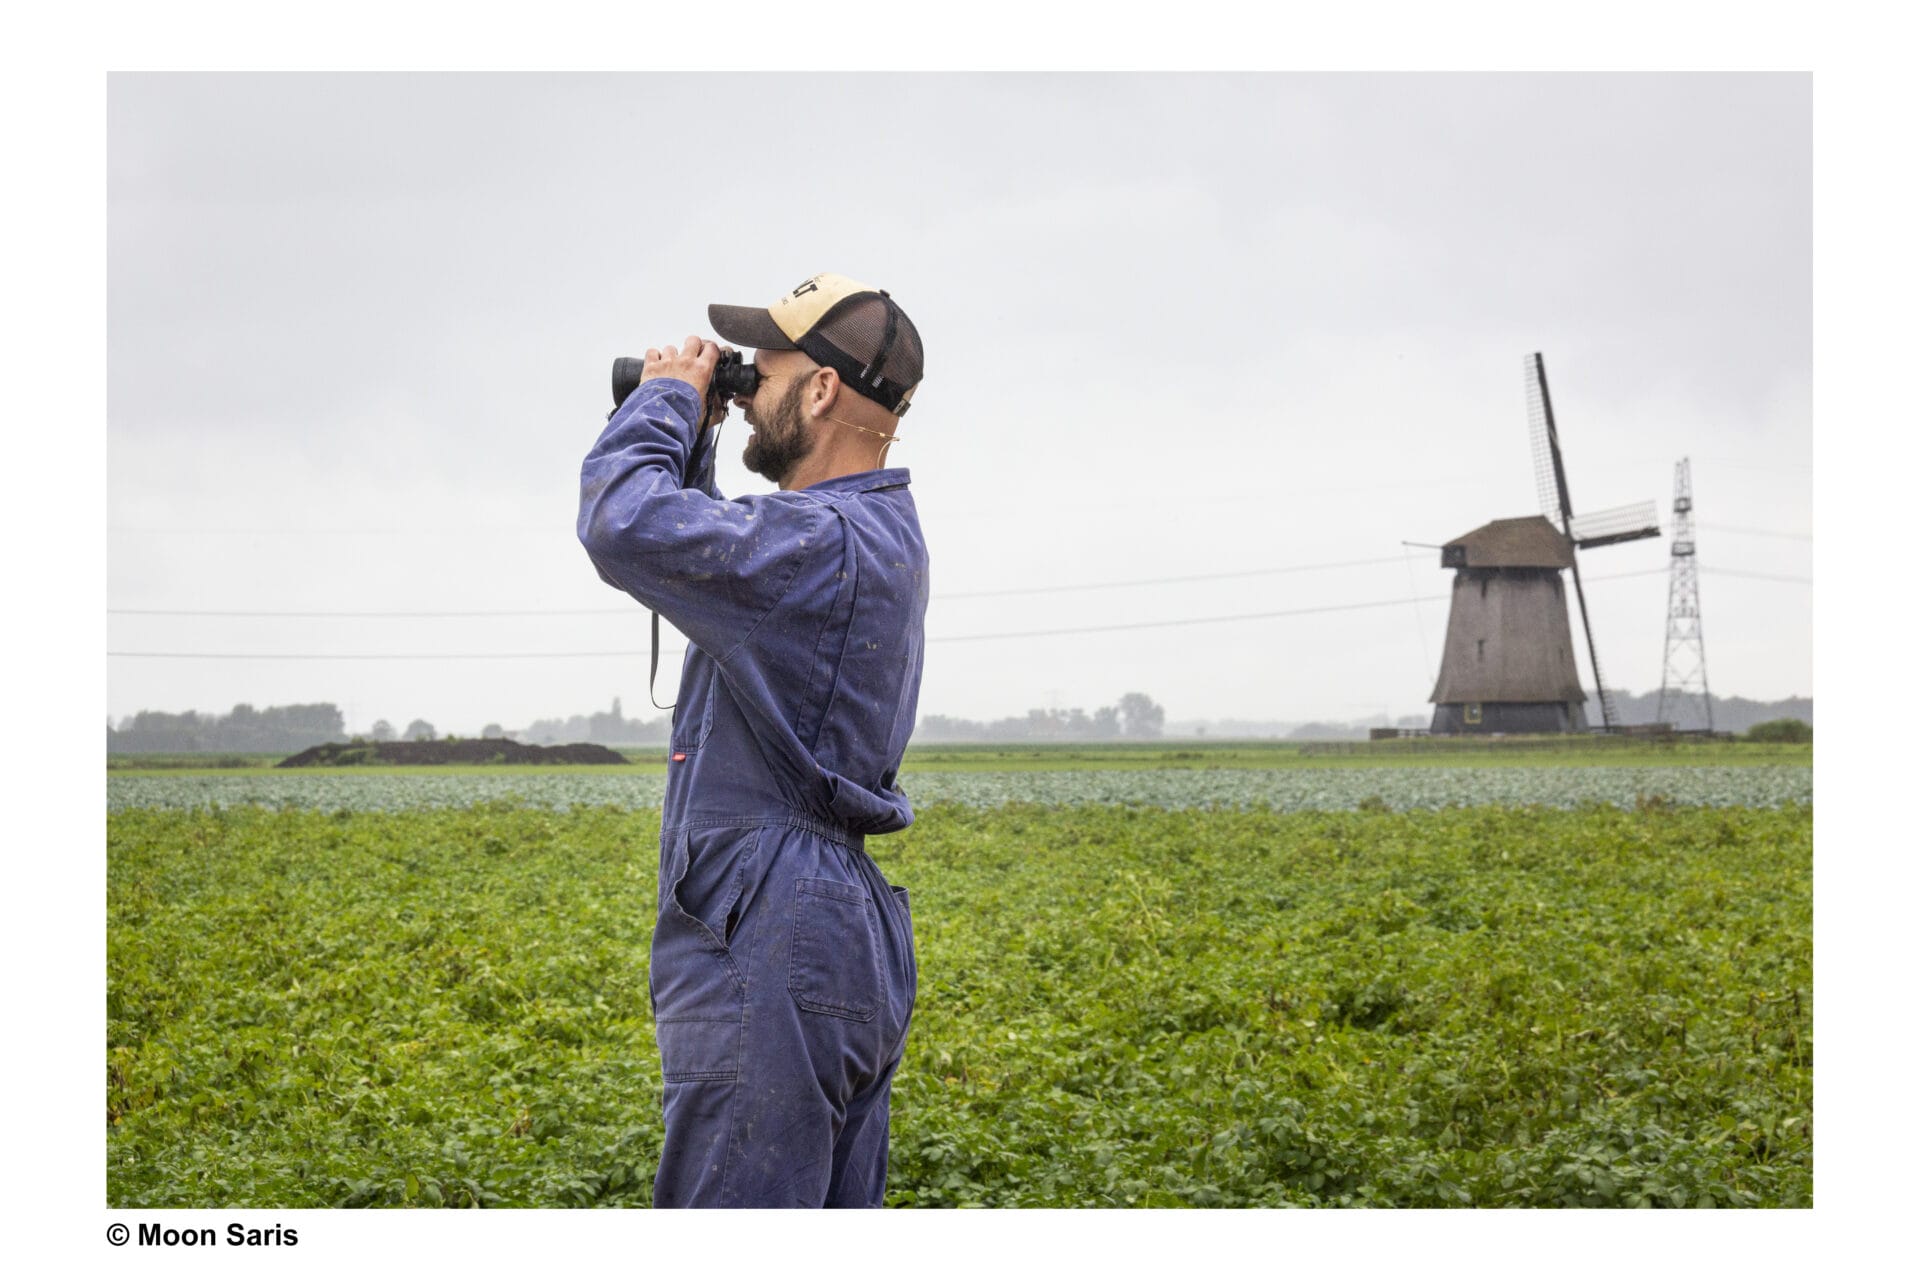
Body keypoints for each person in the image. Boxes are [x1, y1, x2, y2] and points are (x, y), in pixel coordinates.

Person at [576, 273, 928, 1208]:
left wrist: (662, 403)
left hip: (775, 927)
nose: (744, 385)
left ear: (818, 391)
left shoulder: (816, 545)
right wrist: (699, 439)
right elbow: (714, 561)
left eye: (760, 370)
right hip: (834, 925)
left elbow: (625, 525)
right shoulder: (870, 534)